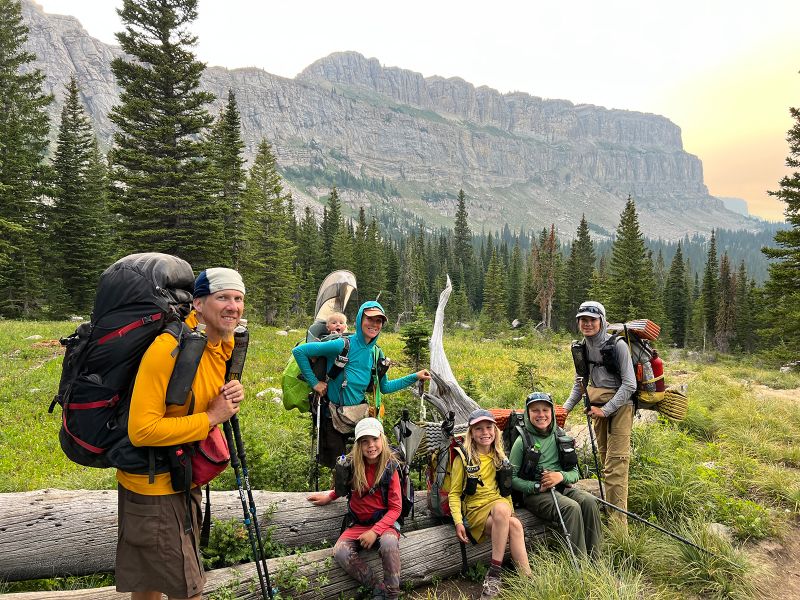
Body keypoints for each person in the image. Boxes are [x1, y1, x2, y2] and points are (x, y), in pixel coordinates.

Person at [115, 268, 246, 600]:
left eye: (239, 298)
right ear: (198, 304)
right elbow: (142, 430)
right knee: (189, 589)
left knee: (150, 582)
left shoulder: (219, 345)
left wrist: (228, 397)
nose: (233, 306)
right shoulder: (168, 348)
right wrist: (211, 416)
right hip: (153, 485)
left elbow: (198, 399)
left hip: (178, 475)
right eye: (223, 298)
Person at [292, 300, 430, 464]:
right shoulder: (342, 345)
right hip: (333, 417)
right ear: (359, 320)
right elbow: (299, 351)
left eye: (378, 321)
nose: (374, 324)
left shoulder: (376, 353)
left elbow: (384, 387)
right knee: (340, 468)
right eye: (369, 319)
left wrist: (415, 376)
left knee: (367, 464)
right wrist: (315, 383)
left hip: (359, 417)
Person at [307, 418, 403, 599]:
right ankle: (377, 588)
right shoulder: (351, 464)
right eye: (365, 441)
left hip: (384, 523)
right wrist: (329, 496)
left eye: (374, 439)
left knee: (389, 543)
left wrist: (375, 531)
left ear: (382, 439)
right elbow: (342, 488)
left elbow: (396, 509)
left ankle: (392, 593)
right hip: (358, 524)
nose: (371, 445)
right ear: (358, 444)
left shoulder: (390, 467)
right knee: (340, 551)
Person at [562, 300, 636, 528]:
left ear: (602, 321)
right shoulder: (581, 348)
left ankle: (618, 527)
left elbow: (630, 385)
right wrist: (563, 410)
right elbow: (581, 382)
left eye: (592, 319)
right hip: (598, 410)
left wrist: (605, 410)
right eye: (583, 319)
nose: (587, 324)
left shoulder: (618, 345)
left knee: (616, 465)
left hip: (619, 408)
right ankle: (612, 510)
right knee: (606, 463)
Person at [449, 409, 532, 600]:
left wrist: (511, 514)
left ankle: (525, 580)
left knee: (515, 523)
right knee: (504, 511)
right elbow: (454, 494)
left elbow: (505, 491)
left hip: (498, 507)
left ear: (495, 431)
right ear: (471, 433)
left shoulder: (500, 457)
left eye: (489, 427)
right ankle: (495, 572)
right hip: (476, 510)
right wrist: (458, 522)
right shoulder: (464, 458)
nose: (485, 432)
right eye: (479, 429)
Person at [510, 392, 602, 558]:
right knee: (571, 508)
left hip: (561, 487)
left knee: (589, 501)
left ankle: (596, 559)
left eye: (545, 410)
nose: (541, 415)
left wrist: (560, 476)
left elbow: (574, 473)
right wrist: (536, 486)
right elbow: (512, 479)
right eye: (535, 410)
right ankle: (580, 563)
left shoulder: (560, 436)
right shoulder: (522, 441)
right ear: (527, 413)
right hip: (535, 494)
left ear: (552, 412)